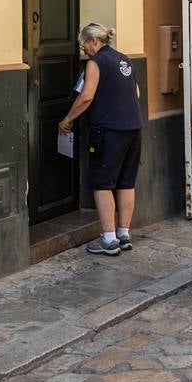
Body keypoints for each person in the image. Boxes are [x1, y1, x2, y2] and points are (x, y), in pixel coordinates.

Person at [60, 22, 144, 256]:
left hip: (109, 130)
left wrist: (67, 119)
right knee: (127, 181)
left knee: (102, 182)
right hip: (133, 127)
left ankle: (108, 239)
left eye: (83, 44)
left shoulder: (96, 63)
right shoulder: (124, 59)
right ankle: (124, 234)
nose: (83, 50)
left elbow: (86, 97)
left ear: (93, 41)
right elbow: (136, 93)